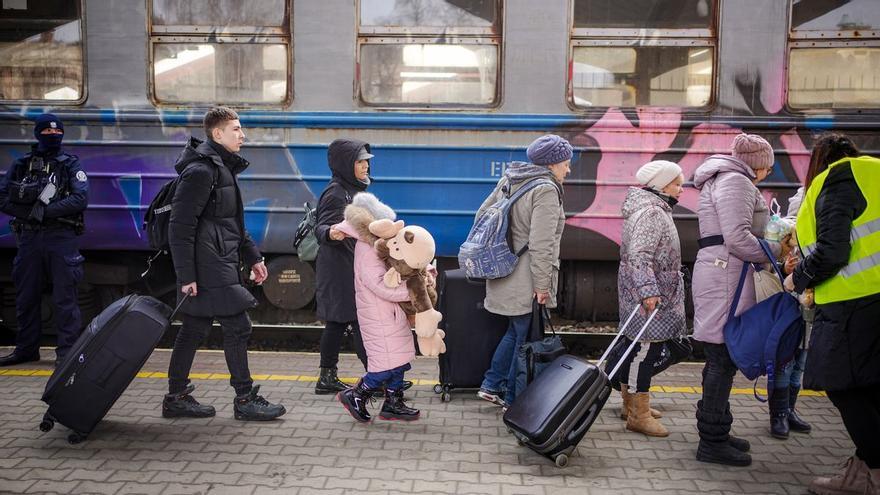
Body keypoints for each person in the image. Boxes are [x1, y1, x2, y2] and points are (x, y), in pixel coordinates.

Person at [161, 107, 285, 421]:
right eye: (236, 129)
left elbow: (231, 224)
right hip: (208, 265)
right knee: (238, 326)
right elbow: (180, 225)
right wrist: (186, 275)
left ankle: (176, 397)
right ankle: (244, 399)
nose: (243, 135)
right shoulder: (202, 171)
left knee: (193, 328)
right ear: (218, 134)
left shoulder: (220, 169)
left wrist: (253, 256)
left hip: (217, 259)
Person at [782, 135, 880, 494]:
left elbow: (833, 250)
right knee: (869, 388)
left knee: (843, 386)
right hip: (871, 301)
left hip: (853, 303)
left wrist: (799, 277)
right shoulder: (874, 172)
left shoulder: (838, 180)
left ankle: (875, 470)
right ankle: (861, 472)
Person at [691, 133, 778, 467]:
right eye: (767, 167)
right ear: (756, 163)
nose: (768, 173)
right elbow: (737, 237)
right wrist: (773, 254)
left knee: (720, 358)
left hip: (724, 274)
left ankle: (718, 431)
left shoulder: (726, 179)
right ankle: (711, 441)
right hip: (726, 276)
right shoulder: (736, 182)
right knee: (722, 359)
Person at [476, 134, 570, 407]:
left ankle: (492, 384)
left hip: (505, 269)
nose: (568, 169)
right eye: (565, 163)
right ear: (552, 164)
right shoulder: (546, 190)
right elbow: (542, 244)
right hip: (526, 277)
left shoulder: (511, 179)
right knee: (525, 337)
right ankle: (512, 396)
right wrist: (542, 286)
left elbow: (482, 215)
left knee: (516, 331)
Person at [0, 114, 88, 368]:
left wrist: (45, 212)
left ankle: (66, 353)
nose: (52, 137)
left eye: (56, 133)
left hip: (61, 237)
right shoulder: (22, 164)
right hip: (29, 237)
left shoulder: (71, 165)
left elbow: (80, 199)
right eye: (47, 133)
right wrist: (28, 214)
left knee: (65, 298)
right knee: (26, 297)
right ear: (37, 134)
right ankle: (26, 350)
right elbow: (3, 196)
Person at [608, 160, 686, 438]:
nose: (681, 189)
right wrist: (648, 291)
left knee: (634, 349)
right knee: (645, 351)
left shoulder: (651, 208)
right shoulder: (652, 212)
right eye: (677, 183)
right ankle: (638, 415)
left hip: (645, 291)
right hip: (649, 294)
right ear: (661, 185)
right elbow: (640, 257)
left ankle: (630, 406)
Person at [333, 193, 427, 423]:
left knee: (400, 361)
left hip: (390, 314)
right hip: (379, 314)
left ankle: (393, 403)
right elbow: (379, 286)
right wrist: (412, 292)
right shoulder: (366, 250)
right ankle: (355, 395)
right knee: (384, 366)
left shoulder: (376, 245)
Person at [313, 139, 372, 395]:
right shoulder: (336, 192)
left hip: (349, 264)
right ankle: (376, 376)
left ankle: (328, 377)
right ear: (346, 165)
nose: (365, 166)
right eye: (360, 162)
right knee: (354, 321)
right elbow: (321, 227)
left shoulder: (351, 189)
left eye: (366, 161)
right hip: (338, 268)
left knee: (339, 323)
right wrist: (330, 233)